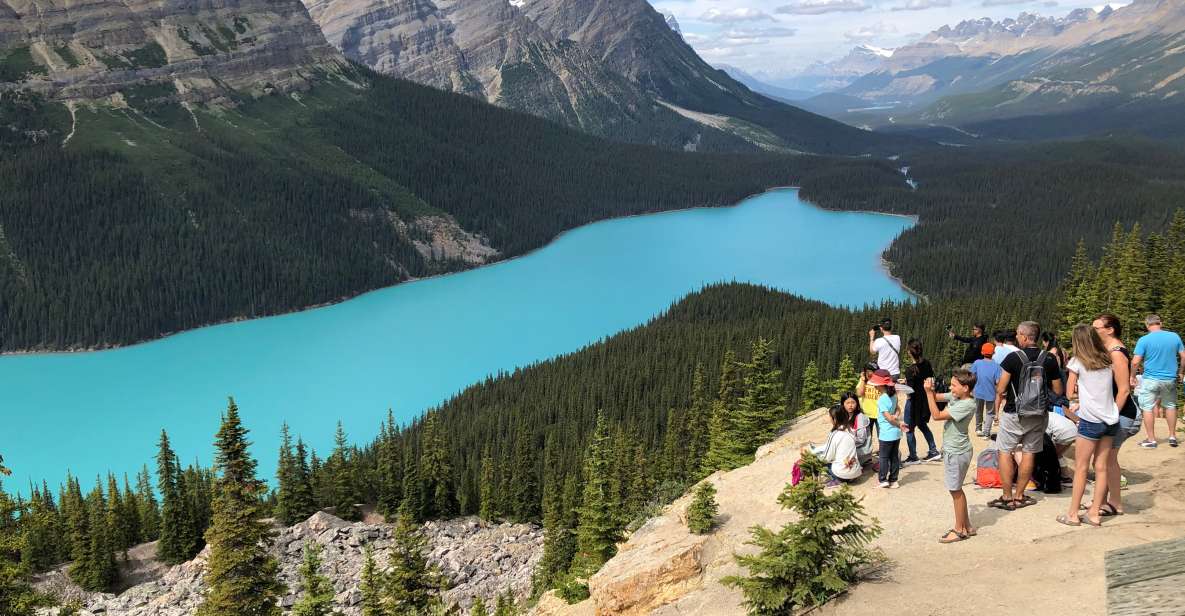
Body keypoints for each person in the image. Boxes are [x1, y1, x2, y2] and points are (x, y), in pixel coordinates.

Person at [990, 321, 1064, 511]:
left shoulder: (1013, 358)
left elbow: (1001, 388)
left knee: (1005, 450)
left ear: (1023, 336)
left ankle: (1007, 496)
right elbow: (1058, 389)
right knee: (1030, 451)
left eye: (1018, 334)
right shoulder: (1048, 359)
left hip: (1015, 411)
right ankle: (1020, 495)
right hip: (1039, 413)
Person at [1057, 323, 1124, 527]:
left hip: (1090, 420)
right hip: (1110, 419)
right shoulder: (1106, 360)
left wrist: (1077, 400)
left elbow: (1069, 393)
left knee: (1081, 468)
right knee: (1101, 467)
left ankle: (1072, 513)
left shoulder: (1077, 362)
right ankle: (1094, 513)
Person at [1094, 313, 1139, 516]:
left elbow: (1123, 390)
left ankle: (1115, 503)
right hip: (1113, 413)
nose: (1093, 332)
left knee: (1108, 460)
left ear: (1110, 329)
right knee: (1103, 459)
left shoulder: (1117, 353)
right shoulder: (1109, 351)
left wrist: (1111, 415)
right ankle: (1101, 501)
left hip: (1120, 414)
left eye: (1097, 328)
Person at [924, 370, 977, 543]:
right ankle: (967, 525)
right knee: (958, 489)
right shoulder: (958, 396)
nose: (951, 388)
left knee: (955, 491)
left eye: (954, 385)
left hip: (957, 452)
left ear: (965, 388)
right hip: (957, 450)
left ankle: (959, 529)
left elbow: (937, 415)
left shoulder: (967, 404)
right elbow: (938, 397)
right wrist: (930, 390)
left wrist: (928, 394)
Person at [1131, 314, 1185, 448]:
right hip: (1169, 379)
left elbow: (1136, 361)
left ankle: (1151, 440)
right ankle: (1172, 437)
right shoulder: (1174, 336)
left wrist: (1132, 376)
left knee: (1147, 408)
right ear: (1160, 322)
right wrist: (1181, 372)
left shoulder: (1144, 340)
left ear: (1147, 325)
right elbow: (1184, 357)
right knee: (1170, 405)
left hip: (1150, 379)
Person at [902, 339, 940, 465]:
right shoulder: (927, 364)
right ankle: (933, 450)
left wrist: (904, 385)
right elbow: (928, 379)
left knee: (909, 428)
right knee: (922, 425)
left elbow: (910, 391)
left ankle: (913, 456)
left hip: (913, 402)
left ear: (909, 352)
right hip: (925, 400)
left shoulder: (910, 370)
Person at [807, 406, 862, 487]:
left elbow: (827, 457)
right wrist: (817, 449)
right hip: (855, 472)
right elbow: (830, 446)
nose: (829, 418)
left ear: (835, 419)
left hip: (844, 474)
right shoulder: (850, 431)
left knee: (819, 460)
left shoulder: (835, 434)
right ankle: (847, 477)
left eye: (830, 416)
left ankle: (837, 480)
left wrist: (814, 453)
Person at [869, 369, 906, 488]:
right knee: (894, 456)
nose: (874, 387)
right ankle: (894, 480)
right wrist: (897, 418)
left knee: (884, 457)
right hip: (896, 434)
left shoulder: (882, 399)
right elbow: (898, 409)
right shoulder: (893, 396)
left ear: (881, 385)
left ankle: (883, 480)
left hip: (886, 433)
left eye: (875, 385)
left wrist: (898, 423)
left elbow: (889, 418)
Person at [971, 342, 1001, 437]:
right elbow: (997, 381)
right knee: (990, 413)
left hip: (978, 391)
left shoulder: (977, 363)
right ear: (993, 353)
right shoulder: (997, 366)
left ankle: (978, 429)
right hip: (990, 392)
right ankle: (986, 432)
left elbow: (972, 376)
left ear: (982, 352)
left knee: (978, 410)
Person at [841, 391, 874, 466]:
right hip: (852, 447)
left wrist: (845, 444)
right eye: (847, 403)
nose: (850, 405)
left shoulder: (860, 417)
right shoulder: (844, 416)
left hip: (862, 450)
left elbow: (861, 439)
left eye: (853, 402)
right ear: (843, 404)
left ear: (857, 403)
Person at [856, 361, 882, 440]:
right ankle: (868, 451)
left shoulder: (880, 381)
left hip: (880, 413)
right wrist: (863, 380)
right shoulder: (863, 380)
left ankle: (883, 451)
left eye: (875, 373)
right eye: (870, 373)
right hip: (866, 414)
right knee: (867, 437)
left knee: (882, 436)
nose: (872, 375)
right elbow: (859, 393)